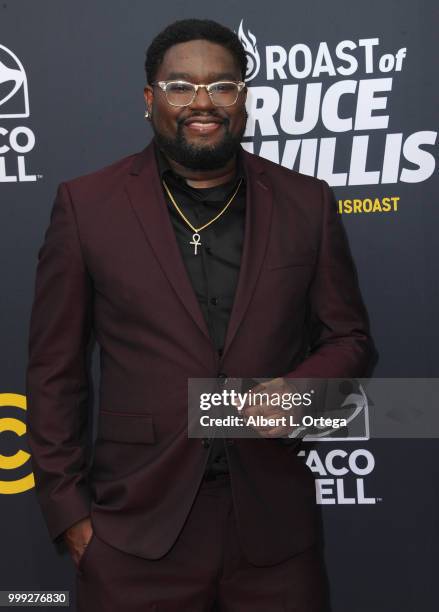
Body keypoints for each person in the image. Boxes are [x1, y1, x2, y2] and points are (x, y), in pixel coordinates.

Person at [26, 18, 375, 612]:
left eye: (223, 86)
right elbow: (54, 372)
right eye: (181, 86)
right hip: (134, 533)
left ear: (244, 99)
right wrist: (71, 518)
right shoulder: (86, 206)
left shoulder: (305, 201)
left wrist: (298, 392)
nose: (203, 102)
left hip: (273, 535)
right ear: (149, 100)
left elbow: (349, 338)